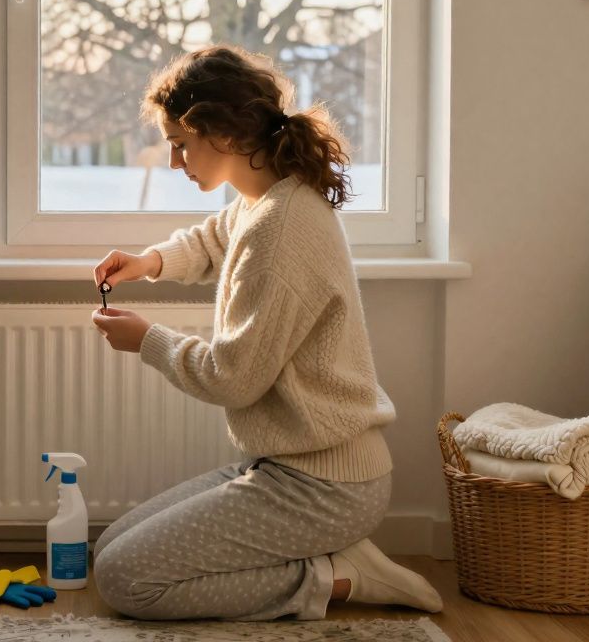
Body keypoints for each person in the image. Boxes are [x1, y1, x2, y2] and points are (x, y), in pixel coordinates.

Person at [89, 44, 442, 621]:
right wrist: (149, 261)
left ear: (220, 134)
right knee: (111, 551)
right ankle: (328, 557)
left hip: (326, 485)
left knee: (128, 580)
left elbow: (234, 378)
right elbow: (213, 238)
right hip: (288, 466)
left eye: (180, 144)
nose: (176, 162)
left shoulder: (282, 229)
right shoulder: (267, 201)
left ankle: (339, 575)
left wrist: (147, 340)